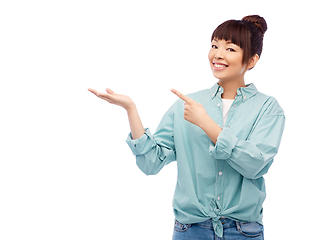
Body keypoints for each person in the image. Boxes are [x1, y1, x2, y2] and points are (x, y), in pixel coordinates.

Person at [89, 15, 285, 240]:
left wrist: (205, 123)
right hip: (190, 230)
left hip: (243, 231)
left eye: (230, 49)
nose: (218, 54)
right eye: (214, 45)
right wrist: (131, 109)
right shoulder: (186, 105)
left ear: (251, 61)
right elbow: (150, 163)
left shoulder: (267, 108)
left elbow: (254, 164)